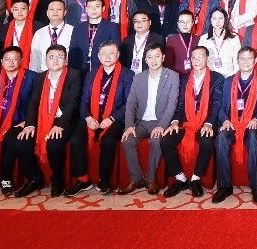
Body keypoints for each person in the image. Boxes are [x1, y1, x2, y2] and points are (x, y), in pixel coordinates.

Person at [13, 44, 82, 198]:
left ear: (66, 60)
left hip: (65, 119)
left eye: (60, 57)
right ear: (45, 61)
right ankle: (34, 178)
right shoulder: (40, 77)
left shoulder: (74, 75)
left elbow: (73, 103)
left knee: (54, 144)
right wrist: (30, 124)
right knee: (22, 142)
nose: (55, 60)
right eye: (51, 57)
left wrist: (60, 125)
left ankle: (58, 179)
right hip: (42, 117)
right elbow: (33, 102)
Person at [65, 40, 131, 195]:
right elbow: (84, 100)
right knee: (75, 140)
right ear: (98, 56)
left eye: (111, 53)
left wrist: (112, 118)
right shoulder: (91, 74)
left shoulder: (128, 74)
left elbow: (128, 102)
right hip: (92, 116)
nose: (107, 57)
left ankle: (104, 180)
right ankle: (83, 179)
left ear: (118, 55)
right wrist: (88, 118)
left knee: (108, 141)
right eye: (103, 54)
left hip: (115, 119)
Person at [161, 46, 224, 198]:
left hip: (206, 122)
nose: (197, 60)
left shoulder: (217, 78)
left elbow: (216, 104)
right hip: (186, 122)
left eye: (200, 56)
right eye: (194, 57)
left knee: (207, 141)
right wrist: (175, 121)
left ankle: (195, 178)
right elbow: (180, 104)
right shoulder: (184, 78)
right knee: (166, 140)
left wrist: (209, 123)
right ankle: (180, 178)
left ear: (207, 58)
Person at [120, 44, 179, 195]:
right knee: (127, 140)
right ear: (145, 60)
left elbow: (172, 104)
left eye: (157, 56)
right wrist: (129, 125)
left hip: (159, 122)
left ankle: (150, 179)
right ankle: (136, 178)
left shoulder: (172, 76)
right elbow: (131, 104)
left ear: (163, 57)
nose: (153, 60)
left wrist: (162, 126)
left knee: (157, 141)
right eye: (150, 57)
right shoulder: (138, 78)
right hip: (141, 122)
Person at [213, 46, 257, 204]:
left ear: (255, 61)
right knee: (221, 138)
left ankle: (256, 187)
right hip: (232, 122)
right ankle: (224, 187)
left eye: (249, 58)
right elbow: (221, 107)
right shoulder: (228, 81)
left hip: (254, 123)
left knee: (253, 136)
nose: (246, 61)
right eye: (242, 58)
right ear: (237, 61)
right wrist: (225, 120)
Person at [0, 46, 38, 196]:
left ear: (21, 61)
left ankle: (5, 179)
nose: (11, 62)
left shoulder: (32, 77)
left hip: (19, 121)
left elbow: (35, 102)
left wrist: (28, 121)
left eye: (15, 59)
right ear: (2, 61)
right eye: (7, 59)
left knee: (9, 140)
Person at [68, 0, 120, 76]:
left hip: (102, 67)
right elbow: (73, 50)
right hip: (80, 68)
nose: (93, 9)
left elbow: (115, 48)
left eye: (97, 6)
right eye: (90, 7)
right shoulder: (78, 27)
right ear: (86, 9)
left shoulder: (111, 27)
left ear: (103, 8)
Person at [26, 0, 72, 73]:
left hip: (66, 73)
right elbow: (35, 59)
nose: (55, 12)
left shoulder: (72, 31)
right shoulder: (39, 33)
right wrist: (34, 76)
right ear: (47, 13)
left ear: (65, 12)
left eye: (59, 9)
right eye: (52, 9)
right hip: (43, 74)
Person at [199, 8, 241, 77]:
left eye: (220, 18)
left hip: (228, 76)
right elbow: (201, 60)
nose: (217, 21)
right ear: (210, 20)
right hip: (211, 77)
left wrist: (234, 78)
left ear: (225, 20)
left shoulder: (234, 38)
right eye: (214, 18)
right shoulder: (204, 38)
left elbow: (237, 60)